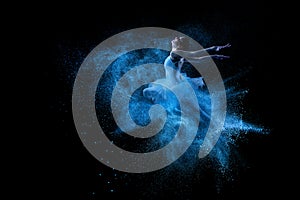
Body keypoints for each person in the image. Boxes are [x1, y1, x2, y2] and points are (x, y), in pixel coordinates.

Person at [143, 36, 231, 104]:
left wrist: (213, 50)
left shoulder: (174, 53)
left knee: (147, 92)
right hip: (174, 85)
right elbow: (198, 58)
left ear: (180, 45)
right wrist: (214, 53)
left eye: (177, 39)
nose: (174, 38)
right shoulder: (179, 57)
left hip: (174, 87)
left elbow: (195, 55)